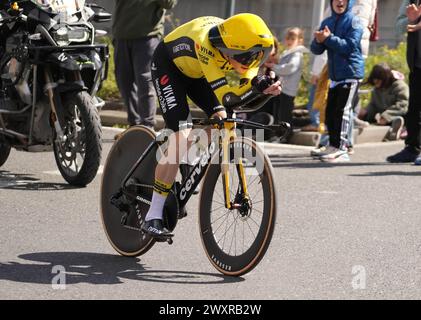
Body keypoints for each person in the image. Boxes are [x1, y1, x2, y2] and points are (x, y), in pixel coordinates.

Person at [141, 14, 281, 238]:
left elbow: (248, 79)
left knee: (221, 119)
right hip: (169, 66)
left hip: (197, 73)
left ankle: (190, 159)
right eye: (247, 58)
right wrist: (256, 91)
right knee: (182, 135)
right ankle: (152, 215)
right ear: (231, 50)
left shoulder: (236, 44)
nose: (250, 63)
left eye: (256, 57)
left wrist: (261, 86)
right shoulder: (205, 44)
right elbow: (229, 97)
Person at [310, 0, 364, 163]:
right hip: (334, 76)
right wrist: (319, 41)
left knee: (343, 111)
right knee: (331, 111)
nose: (340, 2)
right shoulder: (327, 21)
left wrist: (328, 38)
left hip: (350, 73)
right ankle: (333, 145)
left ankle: (342, 149)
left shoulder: (354, 21)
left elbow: (350, 46)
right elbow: (316, 49)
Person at [112, 0, 178, 128]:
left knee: (145, 81)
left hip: (148, 37)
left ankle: (147, 126)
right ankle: (134, 125)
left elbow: (169, 3)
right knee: (124, 83)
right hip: (122, 35)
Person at [387, 0, 421, 165]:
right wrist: (411, 19)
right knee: (414, 109)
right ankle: (413, 148)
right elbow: (399, 26)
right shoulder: (411, 1)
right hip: (417, 63)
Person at [264, 27, 308, 143]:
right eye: (288, 38)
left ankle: (285, 136)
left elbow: (289, 68)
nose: (289, 41)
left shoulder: (297, 54)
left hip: (288, 90)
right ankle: (278, 135)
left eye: (293, 38)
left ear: (300, 40)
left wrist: (273, 67)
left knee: (285, 115)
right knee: (279, 113)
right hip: (282, 88)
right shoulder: (288, 53)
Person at [359, 63, 409, 141]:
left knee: (400, 119)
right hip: (384, 118)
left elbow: (403, 105)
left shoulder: (400, 86)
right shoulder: (376, 90)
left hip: (401, 116)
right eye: (374, 79)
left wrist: (386, 116)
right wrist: (365, 112)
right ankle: (394, 131)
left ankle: (400, 129)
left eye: (378, 80)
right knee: (370, 117)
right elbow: (373, 105)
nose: (376, 82)